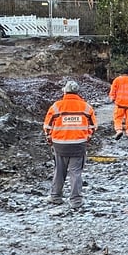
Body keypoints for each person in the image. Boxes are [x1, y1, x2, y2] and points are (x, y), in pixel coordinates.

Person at [43, 80, 97, 208]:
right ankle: (76, 201)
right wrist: (86, 138)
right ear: (77, 92)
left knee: (59, 171)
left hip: (60, 144)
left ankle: (55, 196)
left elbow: (47, 127)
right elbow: (93, 126)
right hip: (78, 145)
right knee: (76, 172)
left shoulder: (56, 106)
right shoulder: (86, 107)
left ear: (65, 91)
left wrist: (50, 139)